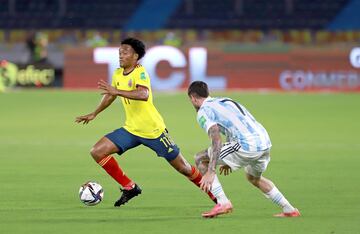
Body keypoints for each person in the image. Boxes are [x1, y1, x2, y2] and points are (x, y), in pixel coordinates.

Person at [75, 38, 219, 207]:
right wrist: (95, 113)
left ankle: (217, 198)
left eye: (125, 52)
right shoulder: (117, 73)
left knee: (184, 168)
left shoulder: (140, 72)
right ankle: (130, 187)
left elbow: (143, 94)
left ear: (136, 56)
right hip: (131, 129)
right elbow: (111, 95)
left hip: (153, 131)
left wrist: (117, 91)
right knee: (97, 151)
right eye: (120, 52)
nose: (121, 55)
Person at [187, 81, 301, 218]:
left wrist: (211, 171)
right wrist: (227, 157)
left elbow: (216, 139)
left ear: (193, 98)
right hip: (264, 142)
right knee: (253, 177)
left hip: (247, 145)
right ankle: (289, 209)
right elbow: (235, 123)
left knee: (200, 158)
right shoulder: (225, 100)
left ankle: (223, 202)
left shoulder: (203, 112)